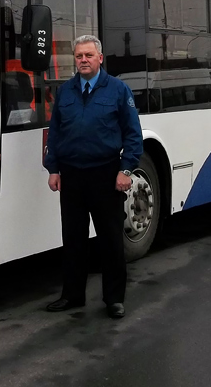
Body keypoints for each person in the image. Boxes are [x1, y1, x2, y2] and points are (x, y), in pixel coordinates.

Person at [44, 34, 144, 319]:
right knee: (73, 238)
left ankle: (114, 299)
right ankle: (72, 295)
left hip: (106, 174)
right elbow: (56, 132)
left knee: (110, 239)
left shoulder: (117, 90)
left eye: (89, 55)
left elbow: (133, 135)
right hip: (72, 175)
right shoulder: (65, 91)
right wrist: (53, 169)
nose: (83, 60)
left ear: (100, 58)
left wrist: (125, 170)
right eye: (79, 56)